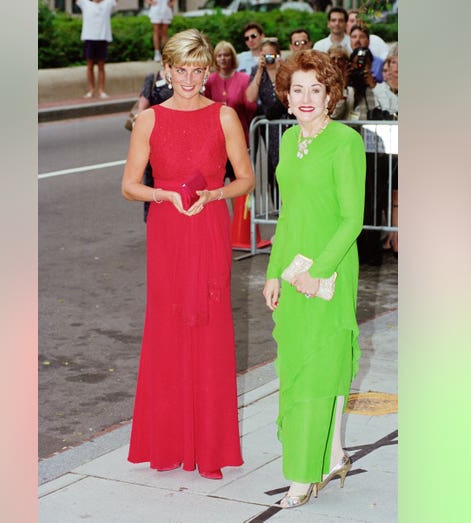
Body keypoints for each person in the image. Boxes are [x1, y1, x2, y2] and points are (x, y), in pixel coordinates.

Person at [122, 29, 255, 480]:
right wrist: (163, 196)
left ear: (208, 72)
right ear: (168, 69)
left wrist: (215, 194)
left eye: (198, 70)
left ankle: (209, 446)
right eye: (182, 69)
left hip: (209, 226)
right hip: (167, 229)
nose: (190, 78)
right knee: (167, 325)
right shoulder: (150, 120)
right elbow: (129, 185)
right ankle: (169, 442)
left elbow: (246, 179)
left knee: (210, 326)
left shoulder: (224, 117)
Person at [262, 50, 365, 508]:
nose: (305, 98)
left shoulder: (345, 142)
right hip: (292, 268)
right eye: (297, 89)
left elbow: (352, 220)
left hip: (331, 269)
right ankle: (334, 453)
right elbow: (288, 216)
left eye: (315, 90)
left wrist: (317, 272)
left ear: (331, 97)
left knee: (320, 365)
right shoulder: (287, 141)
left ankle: (304, 475)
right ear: (286, 96)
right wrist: (272, 273)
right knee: (297, 365)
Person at [205, 41, 257, 182]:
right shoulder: (210, 80)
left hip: (239, 136)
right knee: (215, 182)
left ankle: (239, 206)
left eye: (226, 55)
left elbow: (251, 108)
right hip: (215, 140)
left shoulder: (244, 79)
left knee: (238, 181)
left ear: (232, 57)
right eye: (219, 55)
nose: (222, 58)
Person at [246, 38, 288, 206]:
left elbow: (287, 96)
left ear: (277, 54)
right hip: (269, 125)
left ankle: (291, 203)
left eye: (270, 54)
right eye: (264, 55)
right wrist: (259, 71)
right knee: (273, 166)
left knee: (288, 165)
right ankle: (278, 206)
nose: (267, 58)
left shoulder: (285, 71)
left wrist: (279, 71)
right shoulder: (257, 71)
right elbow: (250, 97)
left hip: (287, 122)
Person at [136, 69, 174, 222]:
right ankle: (153, 219)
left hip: (176, 141)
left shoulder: (183, 77)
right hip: (155, 141)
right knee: (152, 182)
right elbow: (141, 110)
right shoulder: (152, 79)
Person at [372, 45, 398, 253]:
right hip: (383, 152)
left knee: (399, 195)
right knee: (384, 194)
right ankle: (388, 233)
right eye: (394, 63)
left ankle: (396, 235)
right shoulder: (378, 91)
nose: (398, 68)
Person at [77, 0, 116, 98]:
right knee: (89, 66)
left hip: (102, 38)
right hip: (89, 38)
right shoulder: (85, 3)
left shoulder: (108, 3)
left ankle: (101, 90)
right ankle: (91, 90)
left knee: (101, 66)